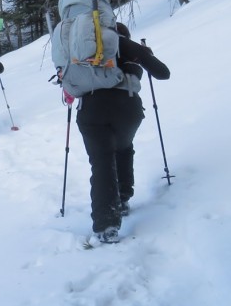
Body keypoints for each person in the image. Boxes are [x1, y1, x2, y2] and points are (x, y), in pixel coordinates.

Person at [68, 20, 170, 244]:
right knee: (123, 148)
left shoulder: (80, 49)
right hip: (127, 109)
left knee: (101, 161)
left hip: (91, 110)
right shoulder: (128, 45)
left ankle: (106, 225)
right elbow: (163, 73)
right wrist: (142, 55)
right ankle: (122, 199)